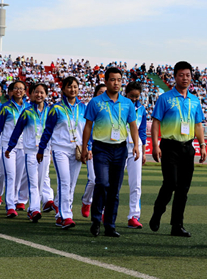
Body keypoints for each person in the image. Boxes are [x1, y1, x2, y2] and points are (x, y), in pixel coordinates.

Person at [149, 61, 206, 238]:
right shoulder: (165, 98)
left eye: (188, 75)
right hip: (169, 146)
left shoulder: (194, 100)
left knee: (183, 189)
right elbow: (156, 122)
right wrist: (155, 145)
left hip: (188, 147)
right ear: (174, 77)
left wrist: (202, 145)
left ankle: (177, 225)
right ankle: (158, 212)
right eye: (181, 75)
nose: (185, 78)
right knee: (170, 183)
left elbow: (198, 125)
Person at [82, 68, 140, 237]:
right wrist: (85, 147)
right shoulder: (95, 102)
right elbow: (88, 126)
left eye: (119, 80)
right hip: (101, 148)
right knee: (102, 183)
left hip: (120, 149)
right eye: (113, 79)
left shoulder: (127, 103)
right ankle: (96, 220)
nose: (116, 83)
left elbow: (133, 126)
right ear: (106, 81)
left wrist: (136, 145)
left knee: (114, 189)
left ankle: (110, 225)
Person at [37, 76, 86, 229]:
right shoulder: (56, 108)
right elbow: (48, 130)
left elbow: (88, 130)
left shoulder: (83, 107)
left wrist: (88, 147)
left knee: (71, 184)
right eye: (69, 86)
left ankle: (61, 215)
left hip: (77, 150)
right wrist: (41, 149)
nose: (73, 89)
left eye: (75, 86)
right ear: (63, 89)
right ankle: (66, 216)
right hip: (60, 149)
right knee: (64, 182)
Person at [6, 83, 50, 222]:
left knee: (40, 181)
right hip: (31, 151)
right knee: (33, 181)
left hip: (45, 151)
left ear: (46, 95)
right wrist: (10, 147)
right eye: (36, 92)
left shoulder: (51, 112)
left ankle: (34, 208)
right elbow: (17, 130)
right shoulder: (27, 112)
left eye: (42, 92)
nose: (39, 95)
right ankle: (35, 209)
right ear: (31, 94)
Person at [0, 80, 28, 217]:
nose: (18, 91)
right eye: (16, 88)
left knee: (19, 176)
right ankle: (10, 206)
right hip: (8, 146)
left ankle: (16, 200)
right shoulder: (5, 107)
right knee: (10, 175)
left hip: (23, 146)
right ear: (11, 91)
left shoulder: (28, 107)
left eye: (21, 88)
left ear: (25, 91)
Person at [123, 81, 148, 229]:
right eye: (131, 96)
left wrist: (143, 151)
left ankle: (134, 215)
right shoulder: (119, 106)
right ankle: (106, 211)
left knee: (136, 183)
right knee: (114, 183)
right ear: (126, 93)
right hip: (119, 147)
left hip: (135, 148)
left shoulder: (142, 109)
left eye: (136, 96)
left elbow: (142, 131)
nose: (134, 99)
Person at [81, 83, 106, 218]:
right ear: (95, 94)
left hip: (108, 149)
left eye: (105, 92)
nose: (103, 95)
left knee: (106, 182)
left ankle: (103, 211)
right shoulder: (91, 108)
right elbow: (87, 129)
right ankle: (86, 201)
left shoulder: (113, 108)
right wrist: (88, 147)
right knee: (93, 180)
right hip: (94, 148)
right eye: (100, 92)